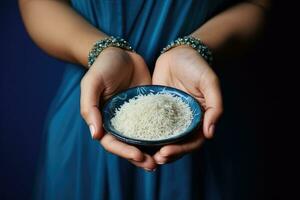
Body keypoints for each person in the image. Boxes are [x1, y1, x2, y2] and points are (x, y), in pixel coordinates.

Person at [19, 0, 269, 199]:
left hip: (201, 105)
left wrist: (195, 47)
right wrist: (100, 50)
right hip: (93, 105)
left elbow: (256, 4)